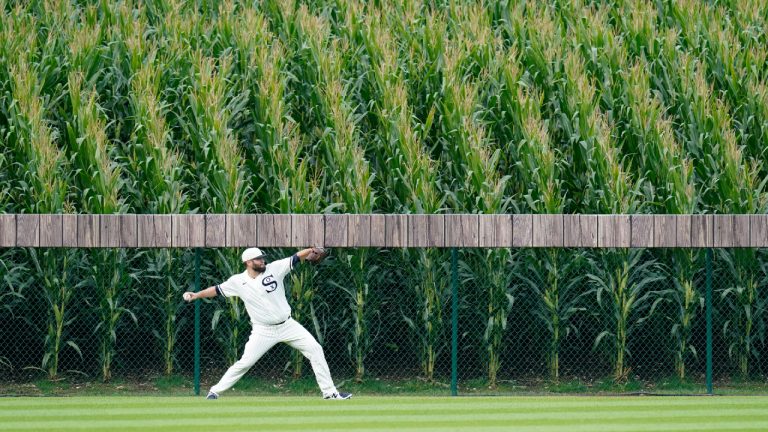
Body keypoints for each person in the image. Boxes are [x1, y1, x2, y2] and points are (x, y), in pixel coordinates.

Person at [183, 247, 351, 400]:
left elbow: (295, 258)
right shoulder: (237, 281)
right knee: (245, 362)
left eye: (263, 258)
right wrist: (197, 295)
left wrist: (311, 250)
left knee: (315, 349)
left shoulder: (274, 269)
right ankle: (214, 391)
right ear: (248, 262)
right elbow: (217, 290)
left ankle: (330, 393)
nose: (263, 260)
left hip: (288, 325)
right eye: (259, 259)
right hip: (262, 331)